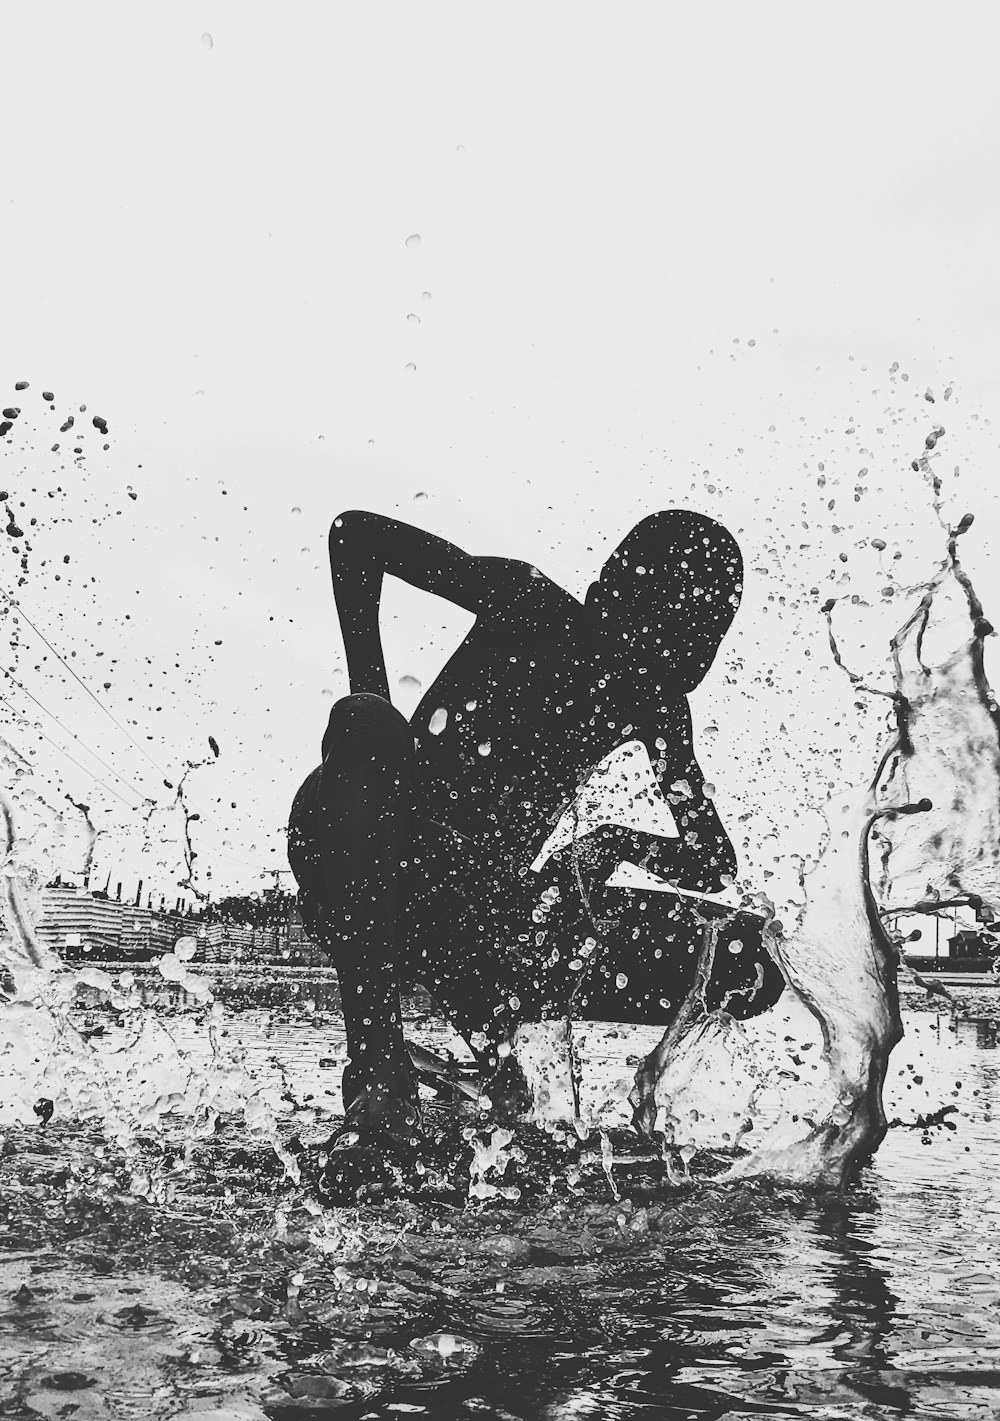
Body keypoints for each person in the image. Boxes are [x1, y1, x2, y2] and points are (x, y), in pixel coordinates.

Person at [288, 508, 784, 1197]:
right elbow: (354, 537)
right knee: (361, 722)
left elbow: (712, 859)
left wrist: (614, 838)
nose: (697, 650)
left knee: (750, 960)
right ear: (619, 591)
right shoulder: (530, 605)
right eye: (688, 624)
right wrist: (378, 699)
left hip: (487, 916)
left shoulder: (655, 705)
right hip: (383, 854)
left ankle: (493, 1065)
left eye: (711, 631)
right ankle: (379, 1069)